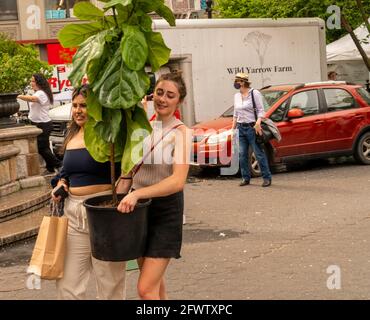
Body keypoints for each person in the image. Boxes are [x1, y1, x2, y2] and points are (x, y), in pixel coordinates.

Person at [116, 72, 191, 300]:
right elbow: (129, 172)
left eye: (170, 95)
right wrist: (123, 191)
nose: (163, 99)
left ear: (179, 100)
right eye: (159, 93)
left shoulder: (182, 133)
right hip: (138, 211)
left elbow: (177, 181)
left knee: (145, 289)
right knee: (156, 288)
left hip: (165, 212)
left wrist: (138, 194)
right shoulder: (142, 128)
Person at [51, 85, 126, 300]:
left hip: (104, 213)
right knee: (67, 284)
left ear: (95, 107)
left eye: (84, 105)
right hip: (73, 215)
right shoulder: (71, 135)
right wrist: (60, 183)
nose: (78, 110)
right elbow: (64, 172)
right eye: (75, 106)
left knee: (110, 284)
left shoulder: (109, 136)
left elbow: (126, 168)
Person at [231, 72, 272, 187]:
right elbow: (235, 113)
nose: (235, 83)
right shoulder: (236, 96)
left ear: (243, 82)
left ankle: (266, 177)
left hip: (252, 128)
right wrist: (232, 129)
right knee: (242, 154)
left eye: (237, 81)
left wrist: (258, 123)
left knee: (258, 153)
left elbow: (261, 110)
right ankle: (246, 178)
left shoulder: (254, 93)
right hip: (241, 127)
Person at [17, 73, 61, 174]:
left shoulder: (41, 93)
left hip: (43, 125)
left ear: (38, 82)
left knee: (41, 148)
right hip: (39, 124)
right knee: (44, 147)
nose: (31, 83)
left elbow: (32, 99)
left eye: (33, 81)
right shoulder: (40, 92)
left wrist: (19, 96)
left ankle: (59, 164)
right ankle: (50, 168)